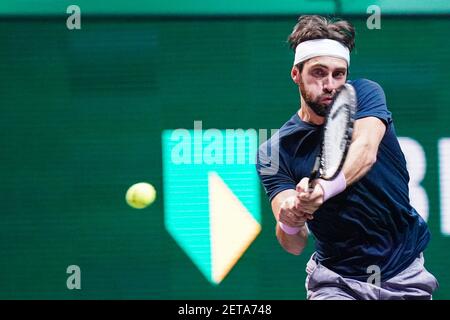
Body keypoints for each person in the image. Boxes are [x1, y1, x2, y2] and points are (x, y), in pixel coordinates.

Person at [256, 15, 438, 300]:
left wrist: (322, 190)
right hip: (335, 281)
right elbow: (293, 243)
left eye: (338, 74)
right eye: (318, 72)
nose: (330, 84)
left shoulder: (364, 94)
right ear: (296, 74)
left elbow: (364, 152)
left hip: (405, 272)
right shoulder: (273, 151)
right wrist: (291, 216)